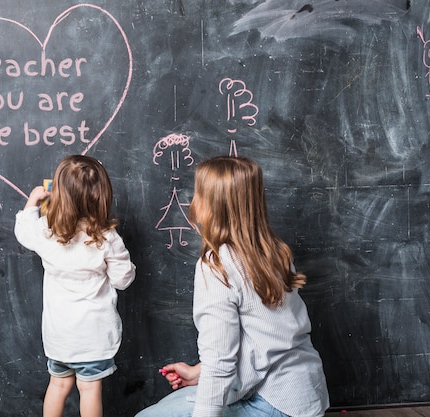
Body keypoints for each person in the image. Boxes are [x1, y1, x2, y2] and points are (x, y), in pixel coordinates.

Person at [136, 156, 329, 417]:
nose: (192, 200)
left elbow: (220, 362)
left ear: (213, 205)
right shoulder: (273, 251)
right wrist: (197, 373)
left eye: (198, 193)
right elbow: (263, 341)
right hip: (304, 396)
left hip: (271, 401)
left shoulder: (217, 266)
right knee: (167, 407)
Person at [14, 155, 136, 417]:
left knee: (58, 385)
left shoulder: (46, 230)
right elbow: (123, 280)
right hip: (93, 336)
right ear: (101, 195)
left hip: (60, 336)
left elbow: (23, 232)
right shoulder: (106, 237)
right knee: (89, 389)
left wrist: (33, 202)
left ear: (58, 193)